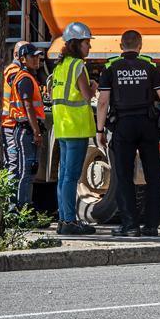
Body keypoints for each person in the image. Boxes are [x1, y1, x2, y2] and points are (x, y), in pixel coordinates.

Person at [95, 30, 160, 237]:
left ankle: (130, 226)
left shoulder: (110, 67)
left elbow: (102, 102)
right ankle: (152, 226)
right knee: (154, 175)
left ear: (120, 46)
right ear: (140, 45)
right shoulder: (149, 66)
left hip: (123, 125)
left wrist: (99, 129)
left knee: (124, 176)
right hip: (147, 124)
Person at [48, 22, 98, 236]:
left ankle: (63, 219)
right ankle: (69, 221)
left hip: (62, 127)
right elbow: (87, 96)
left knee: (63, 177)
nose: (89, 47)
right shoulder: (78, 66)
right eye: (87, 43)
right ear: (77, 44)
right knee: (71, 177)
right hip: (76, 128)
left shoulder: (59, 66)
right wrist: (95, 85)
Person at [4, 43, 46, 209]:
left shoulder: (25, 76)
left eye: (37, 56)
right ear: (21, 58)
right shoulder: (23, 77)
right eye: (32, 56)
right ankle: (21, 208)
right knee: (26, 170)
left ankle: (20, 208)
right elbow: (28, 106)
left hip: (21, 127)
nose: (37, 59)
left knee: (25, 169)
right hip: (23, 128)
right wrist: (37, 132)